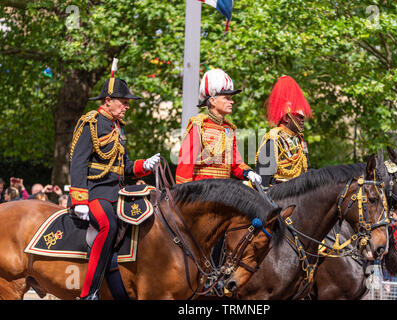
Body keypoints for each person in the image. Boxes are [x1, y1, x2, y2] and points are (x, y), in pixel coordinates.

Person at [68, 67, 160, 300]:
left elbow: (125, 167)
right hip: (95, 193)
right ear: (108, 101)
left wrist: (144, 165)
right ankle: (89, 293)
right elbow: (78, 162)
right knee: (107, 225)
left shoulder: (118, 128)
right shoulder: (90, 122)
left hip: (118, 194)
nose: (127, 106)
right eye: (123, 101)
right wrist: (80, 199)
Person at [175, 68, 261, 186]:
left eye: (231, 98)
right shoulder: (199, 125)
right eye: (227, 98)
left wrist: (248, 173)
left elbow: (235, 164)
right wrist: (183, 193)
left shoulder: (229, 129)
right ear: (213, 101)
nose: (231, 102)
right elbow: (185, 165)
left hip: (224, 189)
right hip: (202, 190)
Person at [255, 76, 313, 188]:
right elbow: (263, 183)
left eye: (303, 117)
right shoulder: (273, 141)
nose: (303, 120)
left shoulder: (300, 142)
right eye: (299, 117)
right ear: (287, 118)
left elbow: (307, 171)